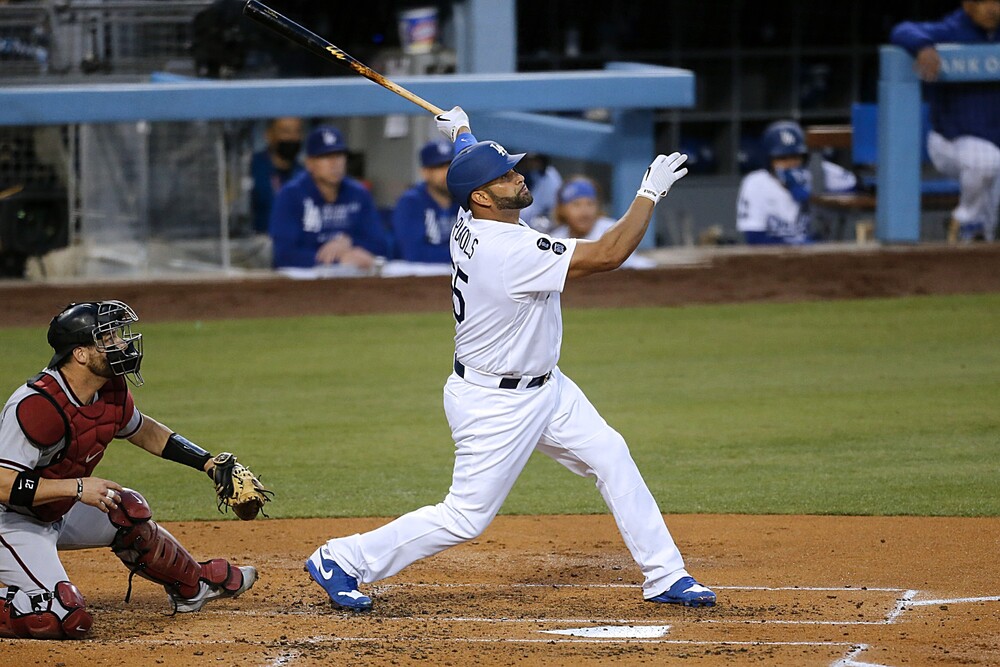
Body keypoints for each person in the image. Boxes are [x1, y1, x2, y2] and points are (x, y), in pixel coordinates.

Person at [305, 106, 716, 612]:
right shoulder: (511, 251)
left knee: (610, 455)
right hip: (493, 404)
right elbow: (609, 253)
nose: (518, 177)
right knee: (466, 517)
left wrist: (461, 132)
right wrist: (647, 190)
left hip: (547, 387)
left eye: (513, 168)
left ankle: (665, 574)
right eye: (505, 176)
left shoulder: (468, 215)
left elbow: (468, 164)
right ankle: (343, 559)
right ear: (483, 196)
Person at [0, 300, 257, 640]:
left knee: (127, 510)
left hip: (52, 509)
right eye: (107, 338)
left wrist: (207, 463)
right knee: (61, 616)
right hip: (9, 520)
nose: (122, 344)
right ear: (79, 354)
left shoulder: (109, 391)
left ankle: (193, 586)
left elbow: (143, 430)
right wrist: (77, 489)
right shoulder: (37, 406)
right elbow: (3, 484)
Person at [890, 1, 1000, 243]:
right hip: (951, 142)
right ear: (968, 4)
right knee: (986, 160)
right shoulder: (950, 30)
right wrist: (923, 46)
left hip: (993, 147)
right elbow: (901, 30)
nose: (993, 8)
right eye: (985, 1)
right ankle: (966, 219)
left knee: (989, 233)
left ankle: (977, 240)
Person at [269, 125, 391, 270]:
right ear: (310, 163)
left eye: (339, 155)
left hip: (353, 282)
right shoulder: (290, 195)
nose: (335, 163)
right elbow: (283, 255)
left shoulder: (359, 193)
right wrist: (339, 261)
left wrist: (349, 242)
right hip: (303, 284)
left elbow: (382, 246)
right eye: (326, 156)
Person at [736, 120, 857, 245]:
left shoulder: (818, 172)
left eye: (795, 156)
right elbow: (754, 238)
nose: (790, 163)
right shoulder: (755, 183)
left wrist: (817, 199)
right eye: (782, 158)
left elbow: (856, 189)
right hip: (772, 258)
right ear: (769, 161)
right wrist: (797, 246)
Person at [550, 176, 657, 269]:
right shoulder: (555, 240)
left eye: (590, 204)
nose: (584, 212)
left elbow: (633, 266)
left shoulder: (612, 229)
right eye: (576, 204)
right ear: (561, 209)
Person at [390, 139, 459, 263]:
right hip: (415, 277)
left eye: (450, 164)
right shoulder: (411, 202)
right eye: (439, 167)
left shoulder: (464, 200)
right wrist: (463, 256)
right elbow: (414, 253)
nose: (446, 172)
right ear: (425, 173)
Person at [250, 117, 305, 236]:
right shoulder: (253, 168)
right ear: (269, 135)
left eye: (297, 132)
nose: (292, 137)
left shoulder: (305, 174)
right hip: (257, 244)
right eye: (286, 132)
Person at [516, 153, 563, 232]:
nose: (530, 164)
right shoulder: (527, 175)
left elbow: (552, 209)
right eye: (528, 160)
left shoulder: (551, 177)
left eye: (534, 160)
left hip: (544, 222)